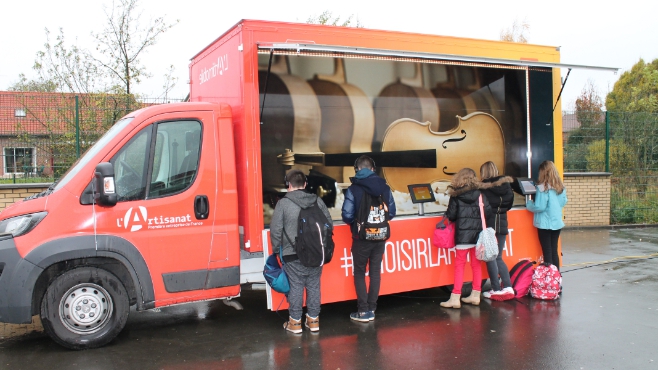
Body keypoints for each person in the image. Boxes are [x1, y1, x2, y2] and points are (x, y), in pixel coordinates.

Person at [270, 169, 332, 334]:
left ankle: (295, 322)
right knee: (313, 285)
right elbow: (329, 224)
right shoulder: (317, 201)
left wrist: (276, 250)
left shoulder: (283, 204)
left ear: (289, 186)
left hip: (292, 253)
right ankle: (313, 321)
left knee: (296, 286)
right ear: (305, 184)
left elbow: (275, 230)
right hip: (317, 252)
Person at [342, 155, 396, 322]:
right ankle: (372, 308)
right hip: (380, 237)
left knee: (359, 272)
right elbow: (392, 212)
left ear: (357, 170)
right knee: (375, 272)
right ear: (373, 169)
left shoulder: (353, 189)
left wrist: (357, 222)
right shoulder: (385, 188)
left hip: (362, 238)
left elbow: (346, 215)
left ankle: (363, 311)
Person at [441, 168, 492, 308]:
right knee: (476, 265)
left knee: (459, 266)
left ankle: (455, 297)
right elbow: (488, 211)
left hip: (463, 236)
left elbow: (451, 215)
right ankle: (476, 295)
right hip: (477, 236)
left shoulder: (456, 195)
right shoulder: (480, 194)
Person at [479, 161, 515, 301]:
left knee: (491, 257)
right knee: (499, 256)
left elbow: (482, 207)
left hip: (489, 226)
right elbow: (509, 205)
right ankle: (508, 286)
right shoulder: (507, 186)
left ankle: (496, 289)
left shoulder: (483, 189)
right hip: (502, 224)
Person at [526, 160, 568, 271]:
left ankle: (549, 278)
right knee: (554, 251)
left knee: (547, 252)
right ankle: (556, 278)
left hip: (545, 224)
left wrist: (529, 204)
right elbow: (563, 202)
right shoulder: (560, 187)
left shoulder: (542, 187)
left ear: (543, 172)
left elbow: (540, 206)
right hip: (557, 223)